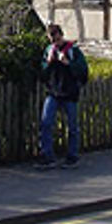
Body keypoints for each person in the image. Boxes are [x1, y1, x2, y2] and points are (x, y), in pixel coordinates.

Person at [37, 24, 88, 168]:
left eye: (57, 38)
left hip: (69, 93)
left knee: (72, 126)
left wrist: (68, 63)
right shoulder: (49, 51)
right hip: (53, 92)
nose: (55, 41)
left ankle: (72, 156)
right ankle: (47, 156)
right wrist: (48, 63)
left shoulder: (73, 50)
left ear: (61, 35)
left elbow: (83, 71)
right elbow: (42, 73)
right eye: (52, 39)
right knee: (46, 123)